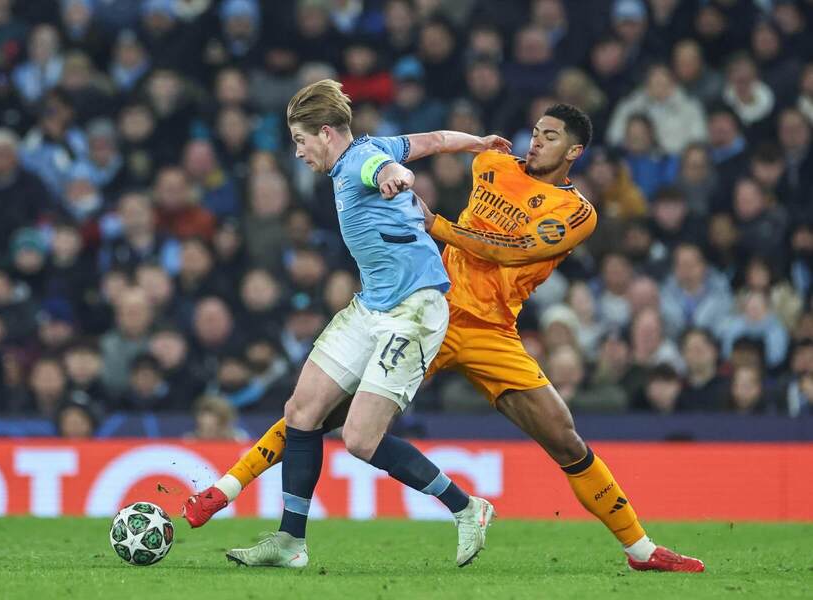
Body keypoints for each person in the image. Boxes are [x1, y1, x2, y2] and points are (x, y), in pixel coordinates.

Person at [186, 100, 704, 573]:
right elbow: (424, 143)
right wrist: (468, 146)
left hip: (493, 330)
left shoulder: (577, 214)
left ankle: (641, 549)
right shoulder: (493, 165)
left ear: (575, 151)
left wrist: (437, 225)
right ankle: (231, 493)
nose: (535, 142)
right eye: (535, 131)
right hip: (430, 305)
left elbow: (513, 250)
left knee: (563, 436)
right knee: (318, 411)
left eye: (549, 136)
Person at [214, 79, 500, 569]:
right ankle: (290, 542)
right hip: (371, 307)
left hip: (414, 310)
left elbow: (388, 170)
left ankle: (467, 507)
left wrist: (398, 179)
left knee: (361, 440)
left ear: (326, 133)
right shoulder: (376, 145)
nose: (299, 153)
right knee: (301, 410)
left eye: (301, 141)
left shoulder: (361, 164)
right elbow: (429, 142)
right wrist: (475, 142)